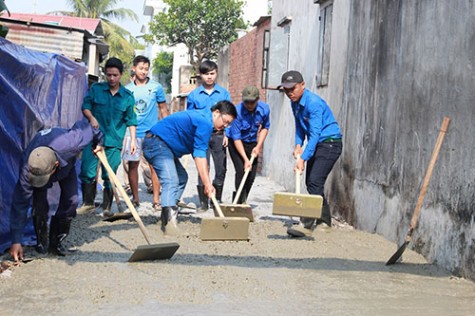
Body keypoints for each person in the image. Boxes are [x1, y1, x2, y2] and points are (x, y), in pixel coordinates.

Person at [9, 120, 103, 262]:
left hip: (66, 164)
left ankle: (56, 242)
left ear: (55, 166)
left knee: (71, 201)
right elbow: (20, 203)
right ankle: (41, 243)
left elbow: (91, 128)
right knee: (40, 203)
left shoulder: (72, 142)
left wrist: (99, 143)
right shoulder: (29, 166)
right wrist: (16, 241)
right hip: (43, 161)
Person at [143, 100, 237, 233]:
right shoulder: (205, 122)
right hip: (156, 143)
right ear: (216, 113)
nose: (225, 126)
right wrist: (207, 184)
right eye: (225, 121)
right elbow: (199, 155)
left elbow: (198, 152)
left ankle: (168, 214)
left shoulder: (205, 121)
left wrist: (206, 180)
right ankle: (168, 225)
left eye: (229, 124)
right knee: (171, 180)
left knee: (181, 178)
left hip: (164, 146)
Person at [279, 70, 343, 238]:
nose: (289, 93)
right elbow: (300, 127)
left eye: (292, 88)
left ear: (303, 85)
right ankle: (323, 221)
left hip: (329, 143)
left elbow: (314, 135)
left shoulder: (313, 103)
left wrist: (304, 159)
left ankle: (306, 224)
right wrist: (298, 145)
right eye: (286, 90)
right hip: (318, 144)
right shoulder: (295, 102)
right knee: (311, 182)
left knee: (315, 181)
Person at [78, 57, 137, 217]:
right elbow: (86, 106)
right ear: (105, 74)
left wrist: (132, 140)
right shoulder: (96, 89)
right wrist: (91, 117)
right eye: (109, 75)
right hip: (93, 139)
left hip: (114, 142)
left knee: (109, 173)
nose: (112, 78)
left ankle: (107, 207)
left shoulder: (127, 96)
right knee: (87, 170)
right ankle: (88, 203)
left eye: (115, 75)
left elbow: (131, 120)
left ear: (121, 75)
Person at [123, 55, 168, 211]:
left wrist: (167, 128)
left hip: (152, 133)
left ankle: (156, 200)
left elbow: (163, 108)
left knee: (154, 166)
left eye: (146, 69)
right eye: (141, 68)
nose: (143, 71)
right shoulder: (127, 89)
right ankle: (135, 199)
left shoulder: (156, 87)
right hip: (132, 134)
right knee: (133, 165)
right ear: (134, 68)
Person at [187, 60, 231, 212]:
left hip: (219, 136)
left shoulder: (224, 93)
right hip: (201, 136)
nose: (209, 77)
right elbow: (190, 116)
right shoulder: (194, 95)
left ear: (216, 73)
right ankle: (204, 202)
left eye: (212, 74)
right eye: (206, 74)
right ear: (201, 75)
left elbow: (229, 115)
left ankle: (216, 199)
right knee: (203, 168)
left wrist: (227, 134)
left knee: (221, 168)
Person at [227, 85, 270, 204]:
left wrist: (258, 146)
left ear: (257, 99)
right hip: (236, 144)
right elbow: (236, 138)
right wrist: (246, 159)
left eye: (252, 102)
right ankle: (238, 202)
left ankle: (244, 199)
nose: (249, 105)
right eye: (246, 102)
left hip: (252, 143)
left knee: (251, 176)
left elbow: (265, 127)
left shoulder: (264, 109)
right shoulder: (236, 112)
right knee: (241, 171)